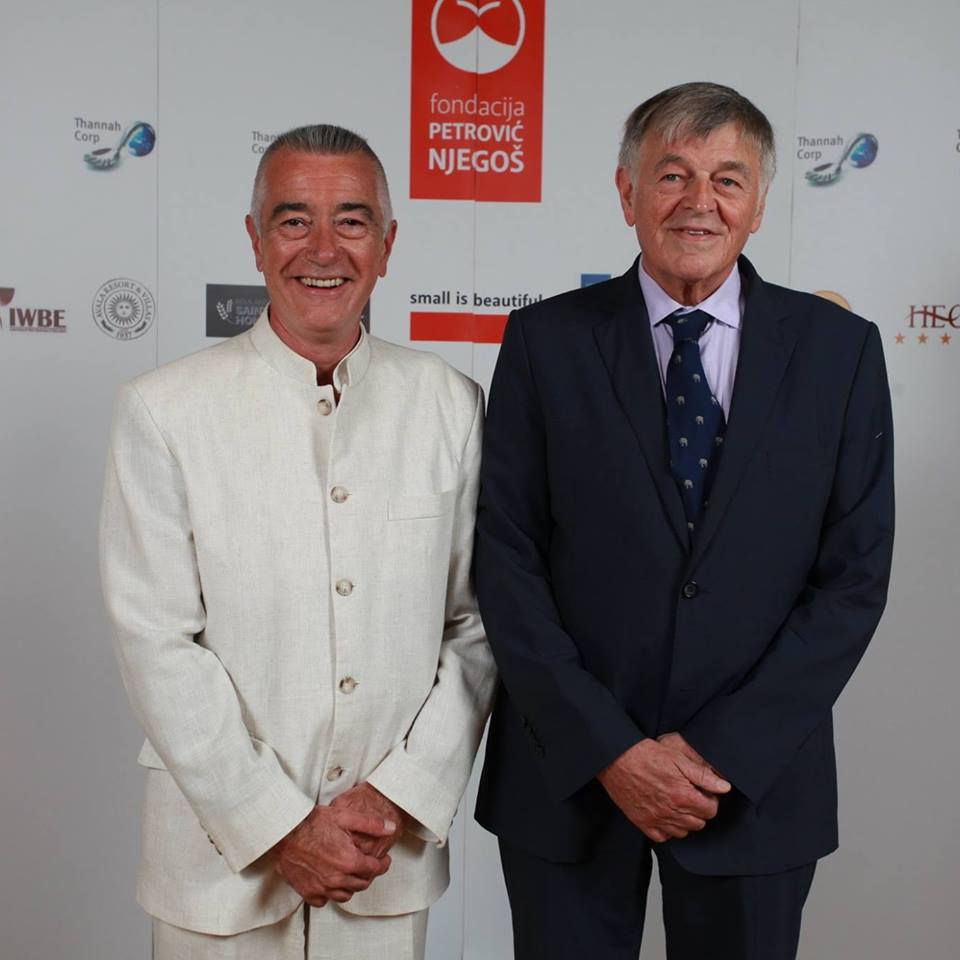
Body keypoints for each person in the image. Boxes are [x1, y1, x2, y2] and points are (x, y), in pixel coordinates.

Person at [474, 82, 894, 960]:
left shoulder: (839, 353)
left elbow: (852, 580)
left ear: (759, 204)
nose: (699, 201)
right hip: (572, 780)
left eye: (727, 179)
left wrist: (716, 753)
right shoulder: (544, 342)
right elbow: (507, 560)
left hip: (752, 784)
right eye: (672, 175)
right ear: (627, 193)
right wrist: (612, 751)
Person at [100, 124, 495, 960]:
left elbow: (477, 626)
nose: (323, 249)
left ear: (387, 245)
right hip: (216, 871)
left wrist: (396, 797)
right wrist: (277, 826)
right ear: (255, 240)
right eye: (292, 220)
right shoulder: (164, 410)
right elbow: (155, 639)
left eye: (351, 221)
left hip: (382, 860)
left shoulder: (451, 406)